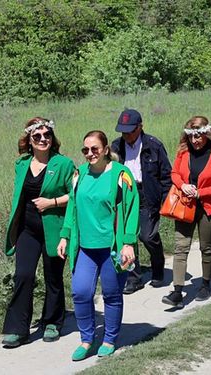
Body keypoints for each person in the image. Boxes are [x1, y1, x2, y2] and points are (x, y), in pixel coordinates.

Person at [57, 130, 139, 360]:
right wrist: (65, 236)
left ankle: (110, 338)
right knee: (81, 292)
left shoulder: (121, 175)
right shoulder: (79, 174)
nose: (90, 153)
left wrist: (129, 243)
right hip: (85, 246)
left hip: (112, 247)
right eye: (85, 150)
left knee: (112, 294)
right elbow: (72, 207)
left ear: (105, 150)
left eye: (95, 149)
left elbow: (131, 209)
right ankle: (86, 339)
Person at [2, 118, 75, 348]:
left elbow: (74, 195)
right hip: (28, 229)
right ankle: (17, 329)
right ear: (29, 140)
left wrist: (51, 202)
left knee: (53, 276)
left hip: (54, 227)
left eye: (47, 135)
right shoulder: (21, 164)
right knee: (23, 275)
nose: (43, 139)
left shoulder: (64, 164)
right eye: (38, 136)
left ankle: (53, 321)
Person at [162, 116, 211, 308]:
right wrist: (183, 186)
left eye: (199, 136)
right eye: (192, 137)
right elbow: (174, 173)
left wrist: (201, 192)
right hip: (185, 204)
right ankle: (177, 291)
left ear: (207, 134)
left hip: (208, 207)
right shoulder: (184, 152)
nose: (195, 141)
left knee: (206, 248)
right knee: (180, 247)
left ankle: (206, 284)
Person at [111, 109, 172, 294]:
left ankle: (158, 265)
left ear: (140, 127)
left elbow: (166, 175)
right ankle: (133, 277)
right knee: (126, 237)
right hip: (125, 193)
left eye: (130, 130)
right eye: (123, 131)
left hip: (148, 194)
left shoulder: (153, 145)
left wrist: (164, 200)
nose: (127, 135)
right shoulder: (115, 147)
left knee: (147, 236)